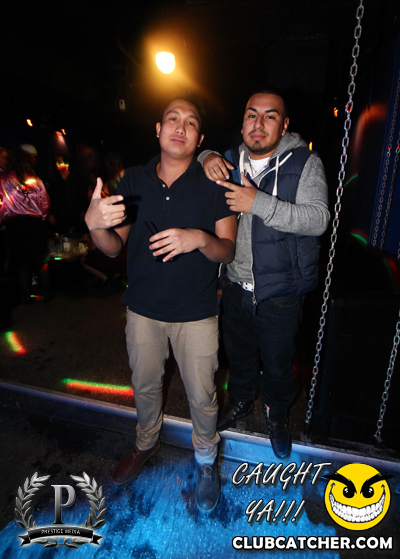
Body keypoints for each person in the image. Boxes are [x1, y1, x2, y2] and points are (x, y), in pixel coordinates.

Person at [85, 96, 237, 512]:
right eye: (173, 118)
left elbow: (228, 248)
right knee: (146, 386)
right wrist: (94, 227)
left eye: (191, 122)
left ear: (200, 139)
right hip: (143, 309)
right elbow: (113, 246)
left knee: (202, 395)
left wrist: (199, 239)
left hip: (197, 311)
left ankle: (205, 460)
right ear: (157, 129)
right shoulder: (134, 179)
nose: (180, 127)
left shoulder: (213, 183)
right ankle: (145, 442)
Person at [198, 88, 330, 459]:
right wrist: (206, 156)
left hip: (281, 290)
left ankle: (276, 414)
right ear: (242, 123)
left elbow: (318, 219)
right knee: (238, 356)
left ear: (284, 125)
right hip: (235, 285)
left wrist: (258, 203)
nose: (259, 123)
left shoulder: (305, 162)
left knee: (278, 364)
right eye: (251, 114)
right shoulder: (229, 160)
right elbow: (193, 161)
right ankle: (241, 400)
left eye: (270, 116)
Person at [0, 144, 51, 303]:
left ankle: (26, 296)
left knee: (22, 263)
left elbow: (2, 204)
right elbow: (45, 203)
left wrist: (4, 219)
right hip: (35, 224)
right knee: (41, 260)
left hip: (15, 225)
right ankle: (47, 294)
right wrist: (42, 218)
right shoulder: (35, 179)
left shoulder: (4, 179)